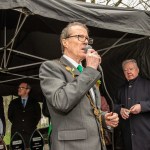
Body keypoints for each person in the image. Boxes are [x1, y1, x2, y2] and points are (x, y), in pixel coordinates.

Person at [39, 22, 119, 150]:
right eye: (79, 37)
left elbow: (88, 110)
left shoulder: (86, 72)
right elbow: (61, 101)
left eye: (87, 38)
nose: (86, 42)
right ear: (65, 42)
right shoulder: (51, 67)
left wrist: (104, 118)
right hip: (73, 145)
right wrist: (91, 69)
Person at [114, 59, 150, 150]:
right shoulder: (120, 89)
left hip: (146, 136)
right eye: (125, 70)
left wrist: (142, 106)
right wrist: (120, 109)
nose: (128, 72)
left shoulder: (148, 85)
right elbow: (113, 105)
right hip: (127, 138)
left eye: (131, 69)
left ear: (137, 70)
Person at [8, 82, 41, 148]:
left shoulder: (35, 103)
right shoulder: (13, 103)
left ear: (28, 90)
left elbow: (37, 116)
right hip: (16, 135)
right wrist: (19, 124)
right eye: (18, 87)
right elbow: (10, 116)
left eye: (21, 88)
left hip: (30, 134)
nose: (19, 89)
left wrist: (28, 125)